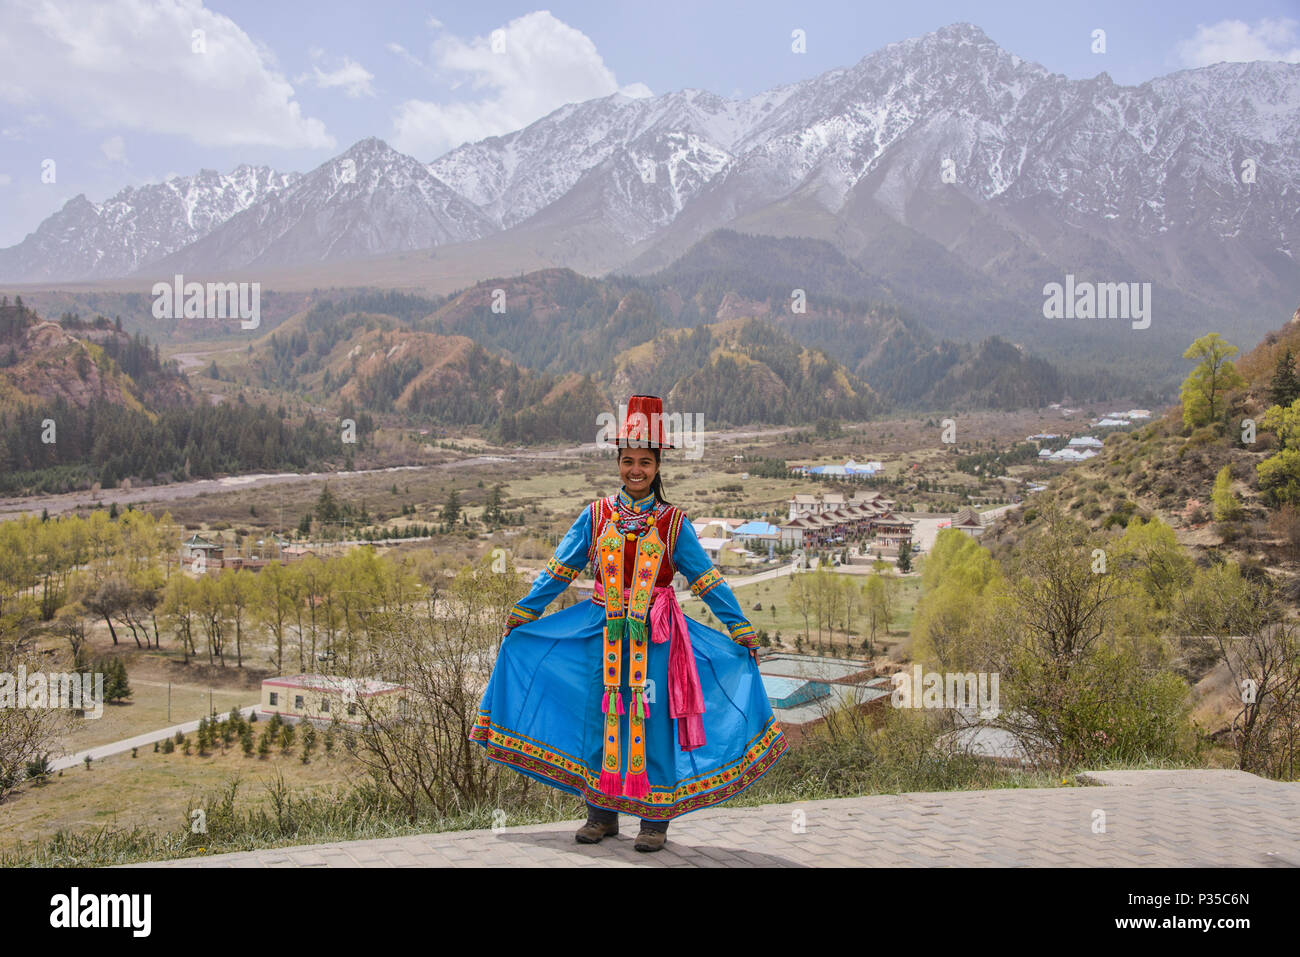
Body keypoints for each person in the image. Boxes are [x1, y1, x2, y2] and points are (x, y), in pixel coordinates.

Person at [470, 394, 788, 852]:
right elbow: (559, 569)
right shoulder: (596, 515)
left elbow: (707, 579)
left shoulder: (674, 523)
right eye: (627, 461)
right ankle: (601, 814)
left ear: (658, 466)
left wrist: (739, 628)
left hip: (657, 639)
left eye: (643, 462)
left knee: (651, 720)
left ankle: (655, 820)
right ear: (618, 463)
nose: (634, 470)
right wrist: (526, 611)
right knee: (601, 719)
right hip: (599, 635)